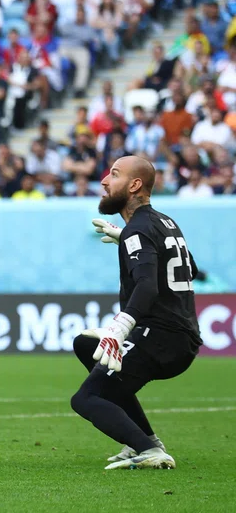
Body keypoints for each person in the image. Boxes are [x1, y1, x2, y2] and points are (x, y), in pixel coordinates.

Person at [76, 155, 202, 470]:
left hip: (160, 337)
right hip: (178, 337)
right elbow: (193, 268)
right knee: (85, 345)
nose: (104, 180)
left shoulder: (139, 230)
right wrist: (126, 239)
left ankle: (150, 451)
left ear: (134, 186)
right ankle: (143, 440)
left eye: (114, 175)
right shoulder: (164, 222)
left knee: (86, 399)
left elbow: (147, 287)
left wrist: (120, 328)